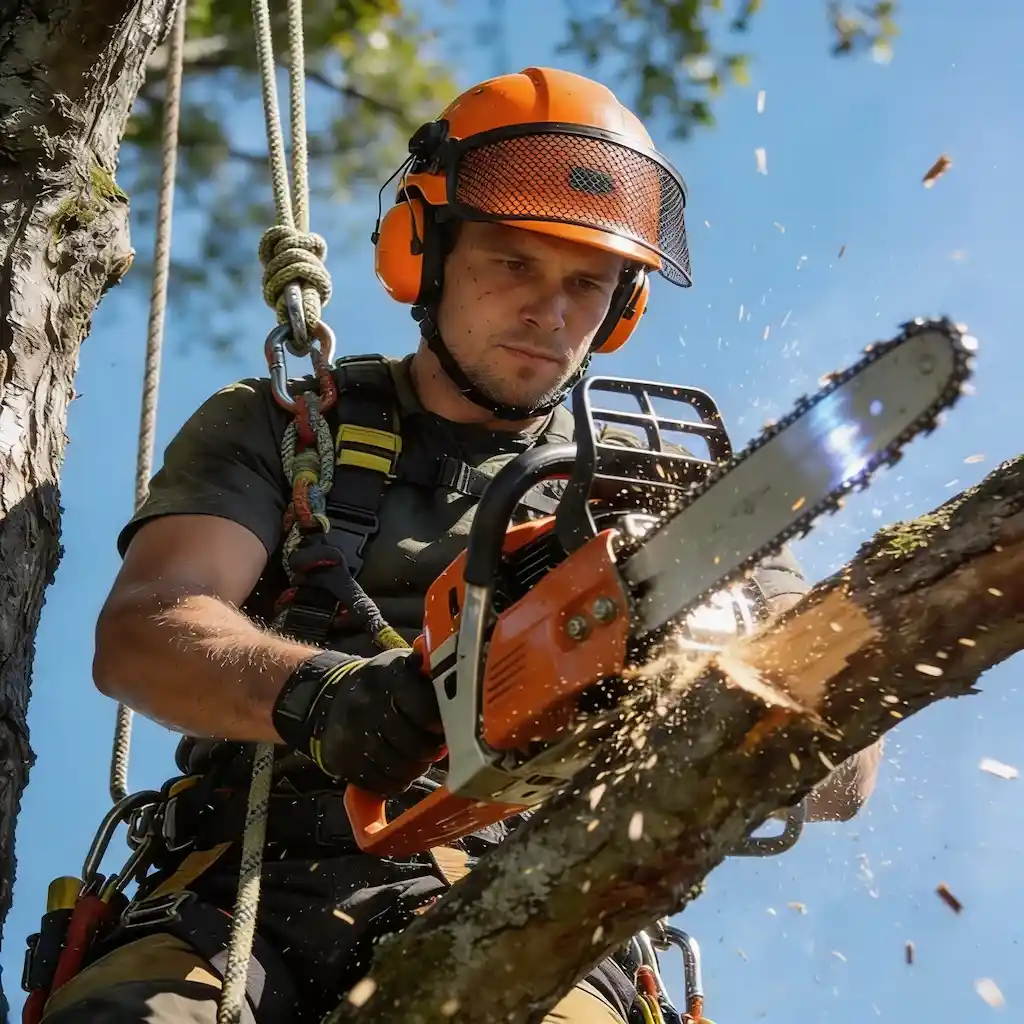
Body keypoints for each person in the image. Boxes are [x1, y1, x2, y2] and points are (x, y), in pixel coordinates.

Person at [38, 67, 882, 1024]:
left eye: (586, 284)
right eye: (513, 263)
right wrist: (324, 695)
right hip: (243, 893)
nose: (550, 313)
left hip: (542, 913)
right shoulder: (292, 426)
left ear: (623, 307)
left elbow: (844, 766)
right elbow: (146, 630)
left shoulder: (675, 491)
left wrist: (691, 688)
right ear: (423, 253)